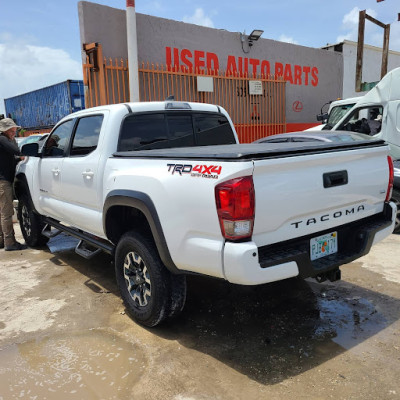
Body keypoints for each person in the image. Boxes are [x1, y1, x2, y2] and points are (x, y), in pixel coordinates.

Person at [0, 118, 27, 251]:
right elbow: (16, 151)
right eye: (11, 131)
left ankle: (2, 240)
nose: (13, 133)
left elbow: (11, 157)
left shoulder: (5, 140)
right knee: (7, 213)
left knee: (2, 213)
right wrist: (22, 155)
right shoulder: (2, 139)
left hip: (3, 180)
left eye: (14, 131)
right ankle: (10, 243)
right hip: (3, 182)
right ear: (4, 130)